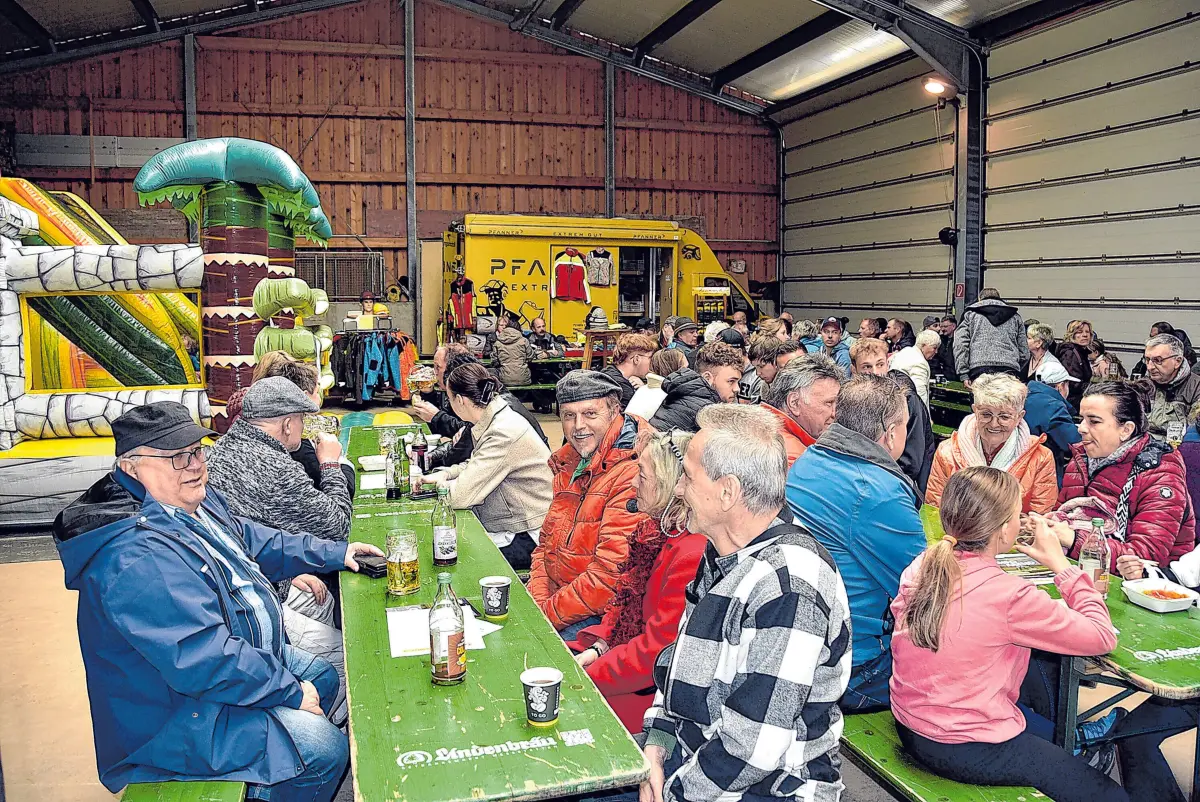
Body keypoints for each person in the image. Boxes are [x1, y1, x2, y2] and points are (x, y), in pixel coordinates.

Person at [53, 401, 382, 801]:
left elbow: (253, 540)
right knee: (322, 749)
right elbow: (203, 657)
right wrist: (290, 692)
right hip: (171, 714)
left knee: (323, 677)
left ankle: (283, 771)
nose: (194, 464)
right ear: (131, 467)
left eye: (197, 450)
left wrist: (335, 552)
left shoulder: (187, 504)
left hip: (220, 666)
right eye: (176, 457)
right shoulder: (135, 557)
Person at [642, 404, 851, 802]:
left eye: (687, 475)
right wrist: (655, 747)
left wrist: (672, 791)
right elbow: (678, 668)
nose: (679, 489)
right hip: (696, 755)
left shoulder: (790, 588)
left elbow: (753, 750)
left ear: (728, 492)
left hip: (769, 788)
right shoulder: (726, 549)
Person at [889, 467, 1123, 802]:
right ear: (1002, 530)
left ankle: (1076, 742)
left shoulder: (926, 562)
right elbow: (1102, 635)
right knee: (1109, 795)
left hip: (912, 724)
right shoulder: (1011, 596)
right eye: (1017, 514)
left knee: (1045, 729)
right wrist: (1062, 566)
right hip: (964, 745)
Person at [205, 377, 355, 720]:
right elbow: (337, 526)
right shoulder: (273, 467)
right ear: (288, 423)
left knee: (323, 598)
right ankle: (322, 730)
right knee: (347, 653)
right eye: (301, 420)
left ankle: (291, 689)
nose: (302, 428)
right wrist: (332, 464)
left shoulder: (227, 446)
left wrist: (288, 571)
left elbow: (253, 536)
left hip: (251, 574)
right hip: (244, 601)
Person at [787, 374, 924, 712]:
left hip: (802, 645)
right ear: (891, 433)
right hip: (855, 668)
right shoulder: (878, 492)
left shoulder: (810, 459)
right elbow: (925, 588)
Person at [569, 429, 706, 733]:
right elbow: (623, 609)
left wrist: (583, 678)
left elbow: (653, 654)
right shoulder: (658, 531)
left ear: (672, 484)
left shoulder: (690, 553)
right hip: (625, 665)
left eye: (642, 476)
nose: (632, 483)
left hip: (647, 700)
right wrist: (598, 650)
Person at [531, 371, 646, 638]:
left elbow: (608, 579)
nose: (578, 426)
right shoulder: (571, 461)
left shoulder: (633, 472)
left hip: (602, 616)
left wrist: (541, 619)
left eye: (590, 414)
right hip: (562, 600)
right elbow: (545, 547)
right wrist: (536, 604)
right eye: (569, 416)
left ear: (615, 411)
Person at [424, 362, 553, 569]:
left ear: (459, 400)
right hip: (514, 524)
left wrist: (430, 488)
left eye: (449, 399)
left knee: (447, 555)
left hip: (529, 535)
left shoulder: (502, 430)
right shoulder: (494, 418)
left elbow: (460, 496)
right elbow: (477, 463)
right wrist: (445, 475)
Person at [1056, 381, 1196, 568]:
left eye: (1094, 421)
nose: (1081, 428)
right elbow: (1061, 514)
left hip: (1148, 587)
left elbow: (1146, 556)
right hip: (1078, 567)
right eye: (1081, 419)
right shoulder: (1081, 458)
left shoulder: (1160, 473)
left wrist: (1073, 539)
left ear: (1126, 430)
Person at [927, 374, 1057, 514]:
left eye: (1004, 416)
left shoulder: (1041, 458)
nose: (994, 424)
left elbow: (1038, 520)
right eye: (986, 414)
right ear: (975, 410)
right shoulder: (947, 452)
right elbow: (934, 510)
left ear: (1019, 417)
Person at [412, 345, 545, 469]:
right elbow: (461, 441)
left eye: (437, 367)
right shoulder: (485, 392)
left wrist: (436, 418)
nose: (433, 373)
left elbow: (462, 452)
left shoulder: (495, 412)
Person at [852, 337, 936, 497]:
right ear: (854, 370)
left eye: (880, 364)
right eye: (867, 367)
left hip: (902, 489)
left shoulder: (907, 400)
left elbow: (911, 462)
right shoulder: (854, 399)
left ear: (888, 364)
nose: (875, 372)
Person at [761, 355, 843, 465]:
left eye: (838, 403)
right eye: (829, 403)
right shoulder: (795, 460)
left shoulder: (760, 429)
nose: (835, 413)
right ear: (794, 403)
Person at [650, 342, 743, 432]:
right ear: (707, 378)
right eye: (731, 381)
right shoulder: (705, 412)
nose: (737, 389)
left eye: (738, 382)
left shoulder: (686, 397)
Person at [954, 288, 1028, 384]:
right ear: (999, 298)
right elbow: (1024, 351)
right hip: (1009, 369)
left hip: (979, 369)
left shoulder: (970, 314)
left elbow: (960, 345)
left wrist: (963, 373)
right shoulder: (1015, 317)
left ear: (980, 299)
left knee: (982, 399)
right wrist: (1016, 365)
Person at [1025, 362, 1082, 482]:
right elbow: (1073, 443)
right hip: (1044, 472)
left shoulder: (1023, 396)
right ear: (1061, 386)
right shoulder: (1054, 406)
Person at [1142, 334, 1200, 441]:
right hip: (1142, 448)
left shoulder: (1196, 388)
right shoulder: (1142, 386)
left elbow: (1193, 436)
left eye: (1158, 360)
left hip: (1179, 450)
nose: (1150, 367)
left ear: (1177, 361)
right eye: (1147, 360)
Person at [627, 348, 686, 421]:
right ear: (675, 369)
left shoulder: (643, 389)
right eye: (685, 368)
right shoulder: (668, 395)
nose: (689, 372)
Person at [601, 333, 657, 409]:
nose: (652, 362)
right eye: (650, 358)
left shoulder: (608, 373)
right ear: (636, 359)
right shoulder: (623, 390)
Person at [890, 329, 939, 408]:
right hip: (909, 409)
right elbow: (920, 395)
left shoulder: (904, 352)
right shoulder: (920, 363)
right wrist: (924, 417)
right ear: (923, 345)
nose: (936, 352)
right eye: (934, 348)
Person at [1056, 322, 1094, 410]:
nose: (1085, 335)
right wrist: (1094, 388)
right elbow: (1073, 383)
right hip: (1072, 403)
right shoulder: (1071, 353)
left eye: (1087, 332)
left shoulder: (1081, 352)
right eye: (1079, 332)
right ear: (1072, 335)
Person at [493, 312, 536, 387]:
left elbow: (495, 361)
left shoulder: (497, 342)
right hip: (524, 379)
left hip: (504, 379)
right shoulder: (524, 340)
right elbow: (530, 357)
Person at [929, 316, 958, 380]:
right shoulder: (940, 340)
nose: (942, 329)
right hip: (942, 376)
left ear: (953, 326)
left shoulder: (960, 341)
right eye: (941, 327)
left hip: (956, 377)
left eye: (945, 326)